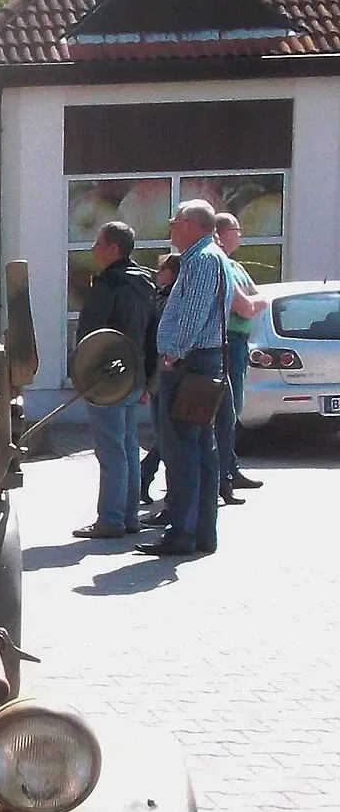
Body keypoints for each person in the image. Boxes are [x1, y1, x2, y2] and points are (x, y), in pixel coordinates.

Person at [139, 200, 232, 557]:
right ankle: (201, 533)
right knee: (201, 451)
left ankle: (182, 534)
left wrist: (173, 353)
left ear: (192, 225)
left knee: (182, 452)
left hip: (190, 365)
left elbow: (192, 314)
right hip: (201, 364)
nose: (171, 229)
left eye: (174, 222)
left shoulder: (202, 260)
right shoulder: (209, 257)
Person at [72, 220, 157, 538]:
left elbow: (91, 338)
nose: (94, 249)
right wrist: (150, 380)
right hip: (135, 377)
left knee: (111, 450)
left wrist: (83, 378)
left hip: (106, 380)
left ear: (114, 249)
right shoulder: (146, 284)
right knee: (128, 446)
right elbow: (153, 335)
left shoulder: (107, 286)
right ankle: (130, 517)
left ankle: (110, 519)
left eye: (99, 243)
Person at [212, 211, 268, 504]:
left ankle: (230, 469)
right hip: (227, 341)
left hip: (238, 342)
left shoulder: (235, 265)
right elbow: (246, 306)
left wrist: (254, 300)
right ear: (222, 233)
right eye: (236, 229)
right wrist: (254, 301)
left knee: (230, 411)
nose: (241, 233)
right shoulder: (220, 265)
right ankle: (223, 476)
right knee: (222, 412)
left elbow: (257, 297)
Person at [139, 251, 179, 509]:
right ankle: (145, 475)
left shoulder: (166, 300)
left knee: (169, 434)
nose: (158, 274)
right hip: (162, 374)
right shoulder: (162, 299)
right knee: (168, 435)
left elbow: (158, 344)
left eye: (162, 269)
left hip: (165, 374)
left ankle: (145, 475)